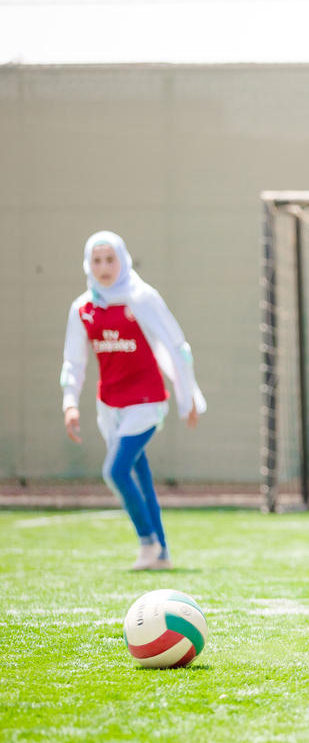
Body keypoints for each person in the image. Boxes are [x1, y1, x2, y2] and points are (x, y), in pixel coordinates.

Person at [60, 230, 206, 571]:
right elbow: (74, 362)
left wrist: (188, 400)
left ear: (123, 260)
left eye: (110, 259)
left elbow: (176, 347)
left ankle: (146, 542)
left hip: (146, 399)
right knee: (138, 474)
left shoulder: (142, 298)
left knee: (115, 470)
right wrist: (69, 403)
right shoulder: (82, 308)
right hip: (110, 404)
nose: (104, 267)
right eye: (97, 260)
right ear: (88, 264)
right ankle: (162, 553)